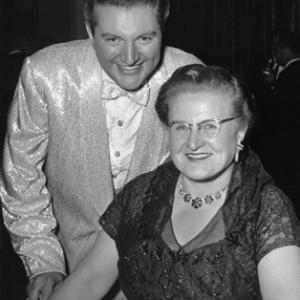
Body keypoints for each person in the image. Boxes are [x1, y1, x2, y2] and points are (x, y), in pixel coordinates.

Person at [0, 1, 202, 299]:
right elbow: (21, 176)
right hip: (69, 262)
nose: (130, 57)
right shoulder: (45, 73)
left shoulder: (190, 75)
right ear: (88, 29)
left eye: (145, 38)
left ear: (164, 25)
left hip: (158, 269)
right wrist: (43, 261)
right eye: (112, 39)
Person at [48, 64, 300, 300]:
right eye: (180, 127)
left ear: (241, 131)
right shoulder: (140, 195)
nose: (193, 142)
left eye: (209, 126)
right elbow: (89, 281)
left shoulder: (263, 208)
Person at [260, 29, 300, 216]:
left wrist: (270, 87)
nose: (274, 54)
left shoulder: (288, 76)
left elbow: (275, 111)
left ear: (285, 50)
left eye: (276, 49)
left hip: (285, 144)